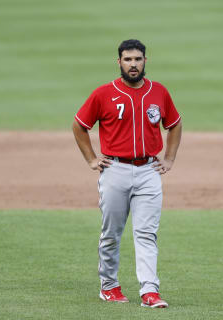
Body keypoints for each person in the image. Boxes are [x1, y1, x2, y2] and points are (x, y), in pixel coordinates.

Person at [72, 39, 182, 308]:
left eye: (138, 59)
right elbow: (79, 125)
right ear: (119, 62)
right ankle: (109, 286)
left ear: (146, 61)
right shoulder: (103, 94)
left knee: (146, 234)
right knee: (111, 233)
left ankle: (150, 292)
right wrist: (91, 159)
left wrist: (168, 158)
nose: (133, 64)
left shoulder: (159, 92)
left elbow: (175, 124)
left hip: (148, 171)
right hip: (115, 170)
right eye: (128, 59)